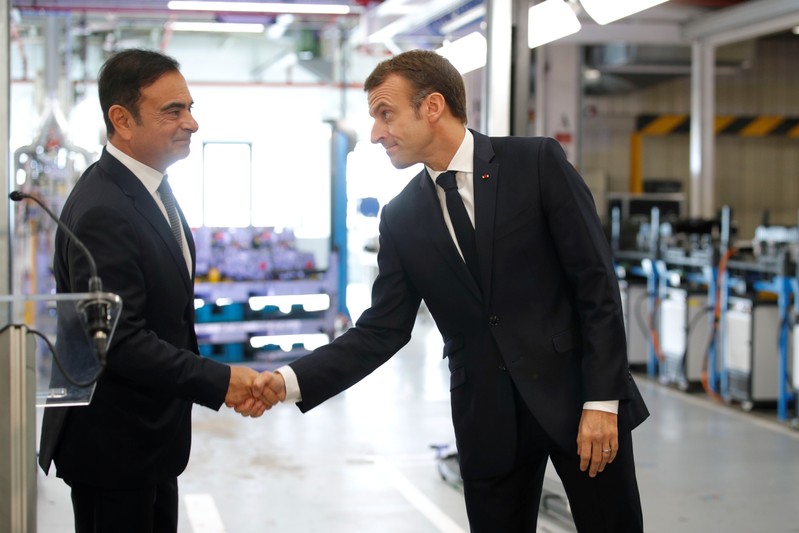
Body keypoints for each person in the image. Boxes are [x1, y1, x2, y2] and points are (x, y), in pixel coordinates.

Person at [255, 49, 649, 532]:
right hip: (487, 417)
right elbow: (382, 330)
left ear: (433, 106)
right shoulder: (401, 218)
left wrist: (603, 401)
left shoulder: (536, 163)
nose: (376, 133)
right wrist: (289, 380)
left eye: (385, 114)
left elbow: (596, 285)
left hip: (579, 402)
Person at [38, 48, 267, 533]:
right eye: (173, 111)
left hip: (150, 439)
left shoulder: (150, 188)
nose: (192, 123)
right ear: (121, 119)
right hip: (114, 445)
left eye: (189, 107)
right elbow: (120, 341)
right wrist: (221, 380)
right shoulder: (103, 208)